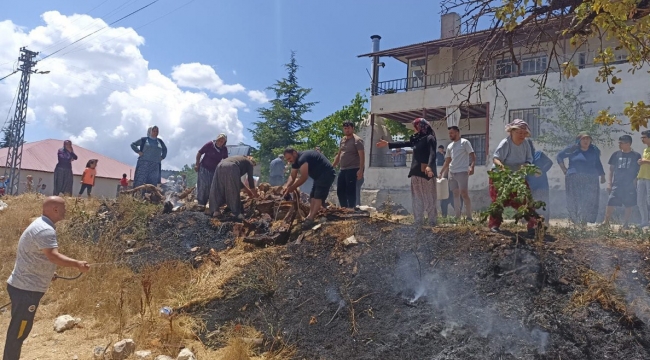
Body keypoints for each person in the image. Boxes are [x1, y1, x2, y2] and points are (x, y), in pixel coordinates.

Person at [4, 196, 90, 359]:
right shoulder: (45, 229)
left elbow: (37, 255)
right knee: (19, 332)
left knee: (19, 331)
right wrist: (77, 264)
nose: (66, 210)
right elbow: (53, 256)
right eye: (64, 207)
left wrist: (48, 273)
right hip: (26, 290)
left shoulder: (40, 225)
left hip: (24, 287)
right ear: (55, 209)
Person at [377, 118, 438, 226]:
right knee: (417, 198)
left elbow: (432, 154)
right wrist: (388, 144)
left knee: (429, 198)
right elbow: (404, 143)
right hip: (415, 172)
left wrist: (429, 166)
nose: (414, 129)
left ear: (421, 127)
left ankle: (432, 222)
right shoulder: (417, 139)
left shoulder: (430, 138)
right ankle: (418, 221)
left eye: (415, 126)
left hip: (426, 173)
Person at [489, 119, 537, 235]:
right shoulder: (506, 143)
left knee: (526, 200)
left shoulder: (526, 144)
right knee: (499, 200)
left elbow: (529, 160)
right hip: (501, 176)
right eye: (518, 132)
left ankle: (533, 226)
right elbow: (496, 159)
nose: (521, 135)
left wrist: (524, 165)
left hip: (518, 176)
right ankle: (494, 225)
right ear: (512, 132)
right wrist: (503, 170)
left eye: (523, 133)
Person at [557, 133, 606, 224]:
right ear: (579, 140)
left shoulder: (594, 150)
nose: (586, 141)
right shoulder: (572, 149)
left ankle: (584, 221)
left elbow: (598, 163)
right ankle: (575, 220)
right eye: (583, 139)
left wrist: (602, 175)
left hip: (591, 178)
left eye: (588, 139)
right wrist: (564, 169)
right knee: (575, 198)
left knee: (589, 199)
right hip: (574, 177)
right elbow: (559, 156)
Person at [283, 147, 336, 229]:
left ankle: (311, 219)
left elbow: (304, 177)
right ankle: (309, 216)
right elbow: (292, 176)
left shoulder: (302, 158)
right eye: (287, 159)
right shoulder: (295, 161)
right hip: (318, 177)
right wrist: (287, 186)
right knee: (312, 197)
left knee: (317, 196)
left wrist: (293, 187)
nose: (289, 161)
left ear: (294, 153)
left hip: (327, 173)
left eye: (289, 158)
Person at [603, 135, 641, 228]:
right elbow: (611, 170)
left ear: (628, 144)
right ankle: (606, 222)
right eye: (619, 143)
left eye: (621, 143)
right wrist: (609, 183)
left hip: (629, 184)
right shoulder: (616, 154)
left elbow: (639, 170)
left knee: (629, 203)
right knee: (611, 201)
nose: (619, 144)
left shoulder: (636, 155)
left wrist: (635, 181)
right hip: (617, 183)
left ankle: (626, 223)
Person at [439, 126, 476, 221]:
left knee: (464, 193)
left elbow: (472, 155)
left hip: (462, 172)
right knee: (455, 193)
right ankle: (457, 216)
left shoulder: (465, 142)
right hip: (452, 172)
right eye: (449, 133)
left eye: (452, 133)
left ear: (457, 132)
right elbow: (447, 161)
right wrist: (441, 172)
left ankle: (469, 217)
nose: (450, 135)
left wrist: (472, 166)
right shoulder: (450, 146)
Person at [332, 121, 365, 208]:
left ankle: (351, 210)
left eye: (349, 128)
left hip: (353, 168)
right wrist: (332, 166)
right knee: (340, 190)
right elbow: (339, 155)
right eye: (345, 128)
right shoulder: (343, 140)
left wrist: (361, 170)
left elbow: (362, 156)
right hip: (343, 169)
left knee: (350, 191)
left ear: (352, 128)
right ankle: (344, 209)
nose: (347, 130)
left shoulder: (357, 140)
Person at [195, 134, 228, 207]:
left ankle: (209, 202)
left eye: (222, 141)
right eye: (219, 140)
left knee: (212, 186)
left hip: (214, 169)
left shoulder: (224, 149)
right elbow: (199, 153)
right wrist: (197, 164)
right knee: (204, 184)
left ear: (224, 142)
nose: (220, 142)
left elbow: (225, 160)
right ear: (217, 139)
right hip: (204, 167)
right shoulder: (210, 145)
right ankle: (201, 202)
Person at [526, 139, 553, 223]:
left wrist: (541, 170)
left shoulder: (539, 154)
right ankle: (531, 223)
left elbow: (549, 162)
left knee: (543, 204)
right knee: (530, 205)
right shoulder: (523, 159)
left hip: (542, 185)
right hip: (529, 186)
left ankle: (545, 224)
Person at [637, 130, 650, 228]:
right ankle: (644, 221)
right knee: (640, 200)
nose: (642, 139)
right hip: (642, 176)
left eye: (644, 137)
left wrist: (645, 161)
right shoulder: (645, 150)